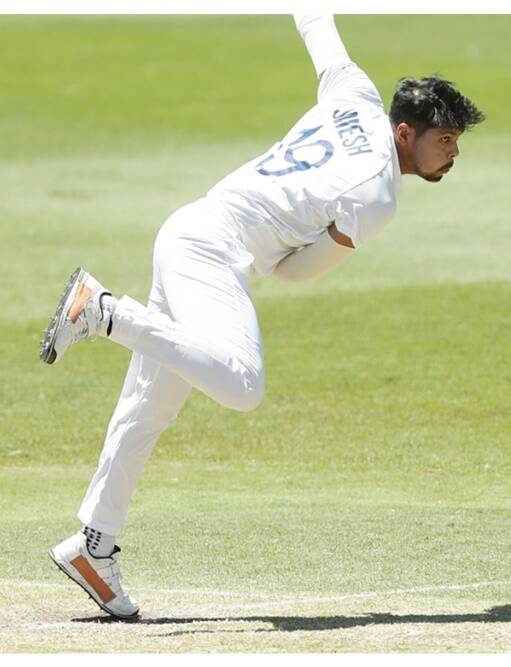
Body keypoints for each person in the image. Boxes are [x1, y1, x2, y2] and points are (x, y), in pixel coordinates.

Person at [41, 14, 484, 619]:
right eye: (445, 140)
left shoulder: (353, 92)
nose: (453, 154)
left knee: (149, 409)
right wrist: (286, 245)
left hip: (186, 227)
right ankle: (105, 313)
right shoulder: (376, 197)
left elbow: (315, 21)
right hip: (213, 254)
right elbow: (294, 273)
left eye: (457, 141)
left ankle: (93, 545)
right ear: (405, 133)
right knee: (243, 387)